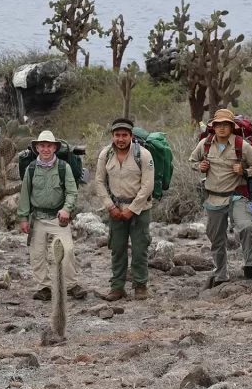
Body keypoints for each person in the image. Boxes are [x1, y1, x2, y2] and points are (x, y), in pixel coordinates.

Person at [188, 109, 252, 288]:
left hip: (237, 196)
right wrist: (199, 166)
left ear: (232, 127)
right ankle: (221, 274)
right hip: (213, 198)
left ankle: (249, 267)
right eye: (218, 125)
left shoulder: (242, 145)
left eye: (226, 125)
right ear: (213, 127)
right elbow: (192, 161)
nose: (222, 128)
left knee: (246, 227)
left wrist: (245, 171)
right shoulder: (205, 144)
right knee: (216, 238)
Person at [17, 130, 87, 301]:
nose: (45, 149)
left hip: (58, 217)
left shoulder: (65, 167)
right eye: (42, 146)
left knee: (67, 249)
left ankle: (71, 285)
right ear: (37, 148)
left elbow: (72, 192)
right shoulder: (31, 168)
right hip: (38, 218)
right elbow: (25, 194)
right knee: (37, 253)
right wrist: (23, 218)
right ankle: (44, 287)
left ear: (55, 147)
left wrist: (67, 209)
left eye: (49, 146)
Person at [96, 118, 155, 301]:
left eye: (124, 135)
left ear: (131, 136)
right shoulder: (105, 155)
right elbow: (98, 182)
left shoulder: (144, 155)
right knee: (117, 249)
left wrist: (133, 208)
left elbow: (148, 185)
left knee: (139, 249)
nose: (120, 139)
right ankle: (117, 287)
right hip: (115, 210)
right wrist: (110, 206)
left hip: (140, 210)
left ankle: (140, 286)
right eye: (117, 135)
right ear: (112, 136)